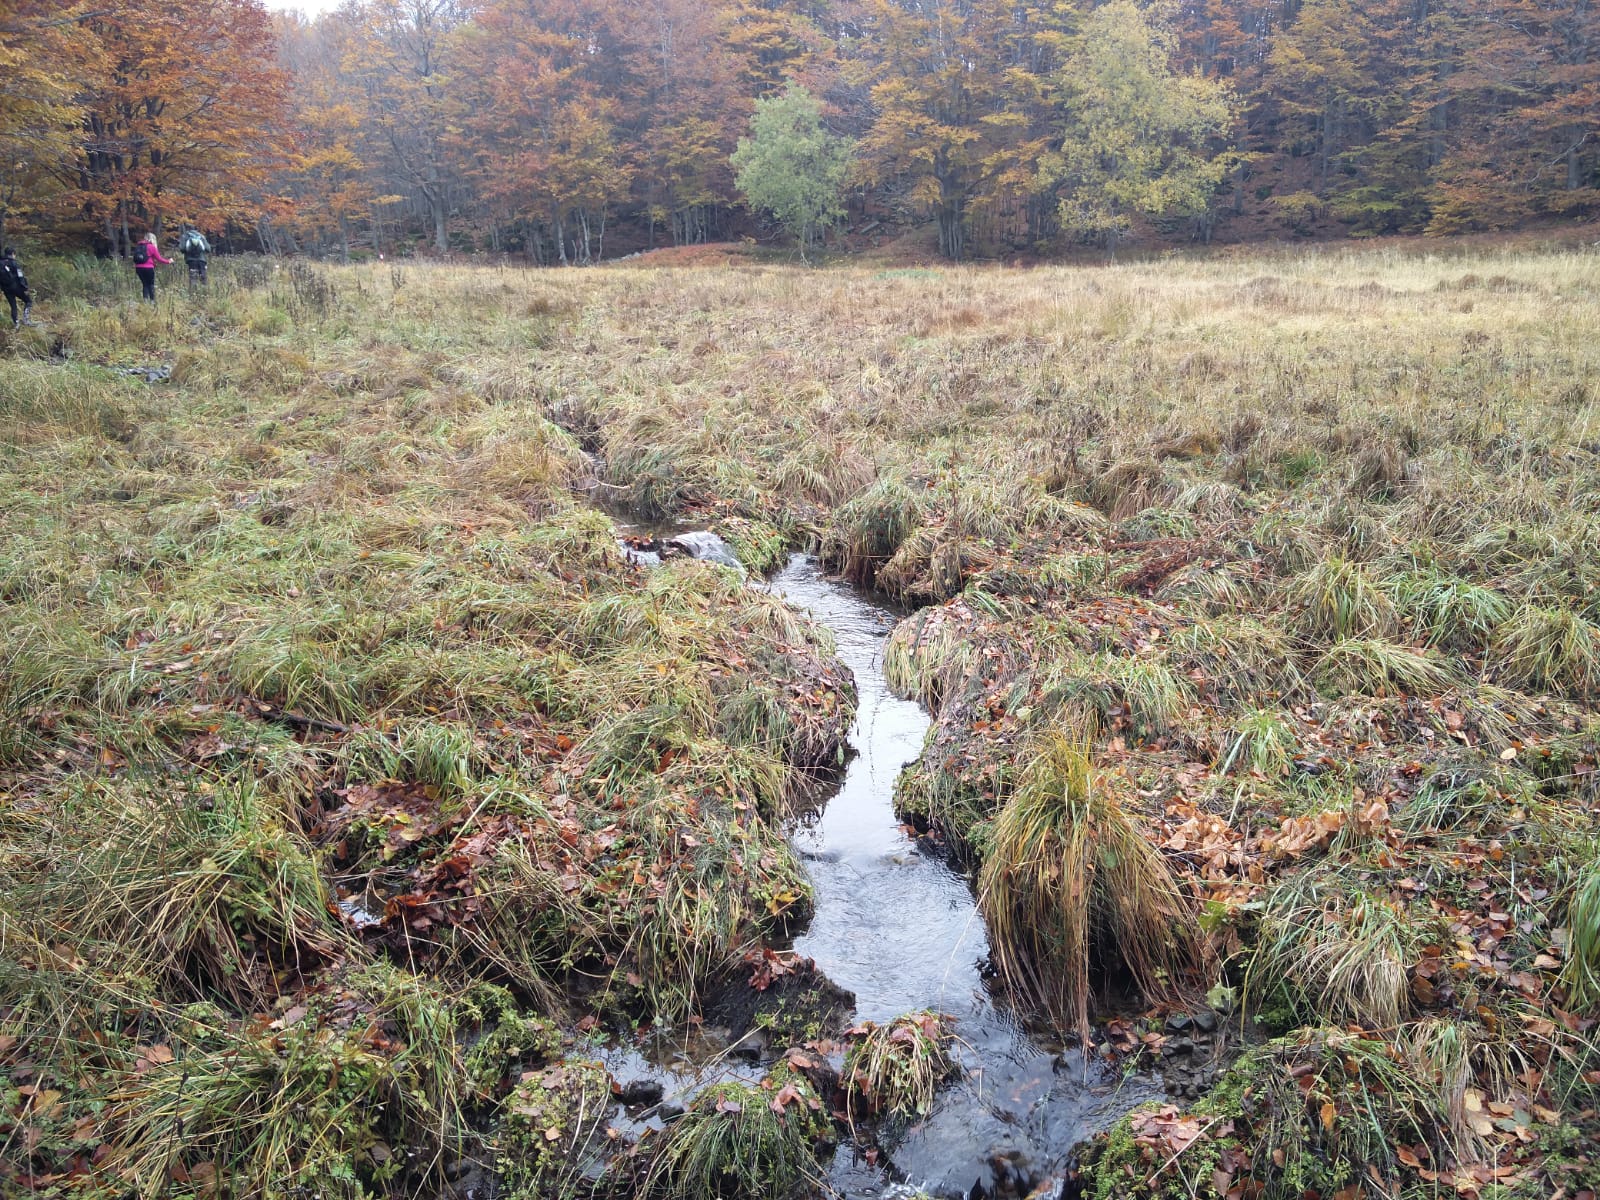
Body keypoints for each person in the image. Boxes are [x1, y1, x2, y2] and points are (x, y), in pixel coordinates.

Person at [132, 232, 172, 302]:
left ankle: (145, 301)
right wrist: (168, 261)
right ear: (152, 239)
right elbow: (159, 259)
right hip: (148, 268)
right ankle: (152, 301)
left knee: (145, 284)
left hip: (138, 268)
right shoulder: (151, 247)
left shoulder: (138, 246)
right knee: (151, 284)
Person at [1, 247, 33, 328]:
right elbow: (20, 276)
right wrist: (25, 287)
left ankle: (16, 324)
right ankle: (26, 320)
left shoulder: (1, 263)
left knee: (13, 306)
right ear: (12, 254)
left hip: (6, 289)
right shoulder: (13, 263)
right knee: (28, 301)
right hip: (16, 287)